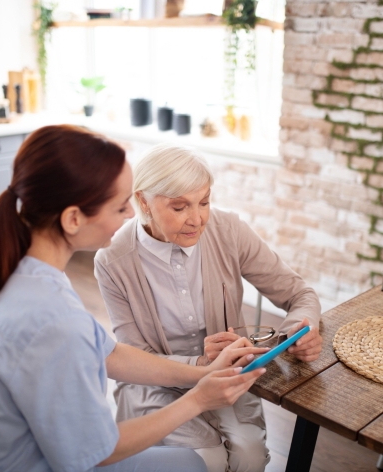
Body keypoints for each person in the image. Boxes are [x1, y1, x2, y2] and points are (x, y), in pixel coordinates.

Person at [0, 126, 269, 472]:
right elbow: (95, 451)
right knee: (196, 466)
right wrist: (199, 399)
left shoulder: (26, 273)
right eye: (121, 207)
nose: (129, 218)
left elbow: (110, 353)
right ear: (73, 218)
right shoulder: (51, 320)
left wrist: (203, 370)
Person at [94, 144, 323, 472]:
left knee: (250, 454)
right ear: (143, 201)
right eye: (180, 206)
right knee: (208, 459)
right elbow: (134, 358)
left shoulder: (228, 230)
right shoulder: (113, 261)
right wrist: (201, 362)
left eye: (204, 202)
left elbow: (301, 294)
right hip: (156, 383)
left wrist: (300, 331)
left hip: (229, 374)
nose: (197, 218)